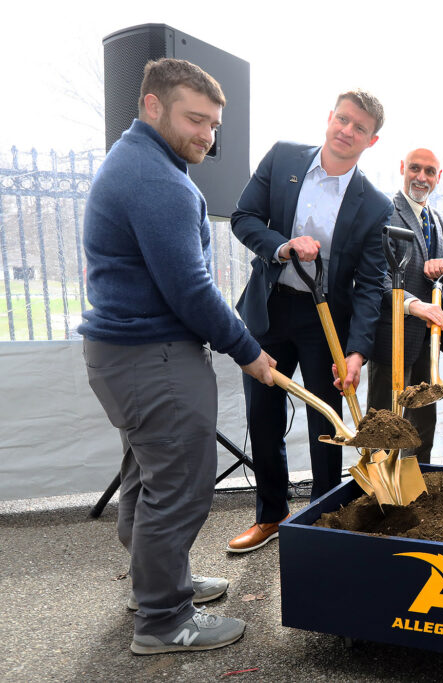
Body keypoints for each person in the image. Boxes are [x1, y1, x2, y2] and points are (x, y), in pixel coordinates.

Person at [80, 58, 276, 654]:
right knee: (181, 487)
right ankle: (164, 620)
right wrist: (249, 351)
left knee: (148, 475)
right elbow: (190, 289)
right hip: (153, 357)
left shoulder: (138, 162)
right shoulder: (155, 179)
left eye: (214, 125)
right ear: (151, 105)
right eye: (196, 119)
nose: (207, 136)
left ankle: (156, 586)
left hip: (126, 355)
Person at [228, 90, 391, 553]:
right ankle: (272, 515)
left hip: (327, 327)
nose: (347, 131)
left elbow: (371, 282)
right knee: (263, 416)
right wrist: (283, 245)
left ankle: (323, 515)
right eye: (342, 119)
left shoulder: (374, 204)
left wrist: (357, 351)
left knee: (328, 422)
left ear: (371, 141)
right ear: (329, 118)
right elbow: (243, 218)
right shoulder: (282, 159)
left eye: (359, 128)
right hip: (270, 309)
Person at [367, 148, 443, 463]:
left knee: (423, 419)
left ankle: (416, 480)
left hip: (429, 337)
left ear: (438, 178)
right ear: (402, 168)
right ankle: (378, 489)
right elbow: (374, 278)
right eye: (415, 169)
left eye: (429, 171)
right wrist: (413, 305)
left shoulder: (437, 219)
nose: (421, 177)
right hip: (393, 333)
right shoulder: (384, 211)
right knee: (385, 418)